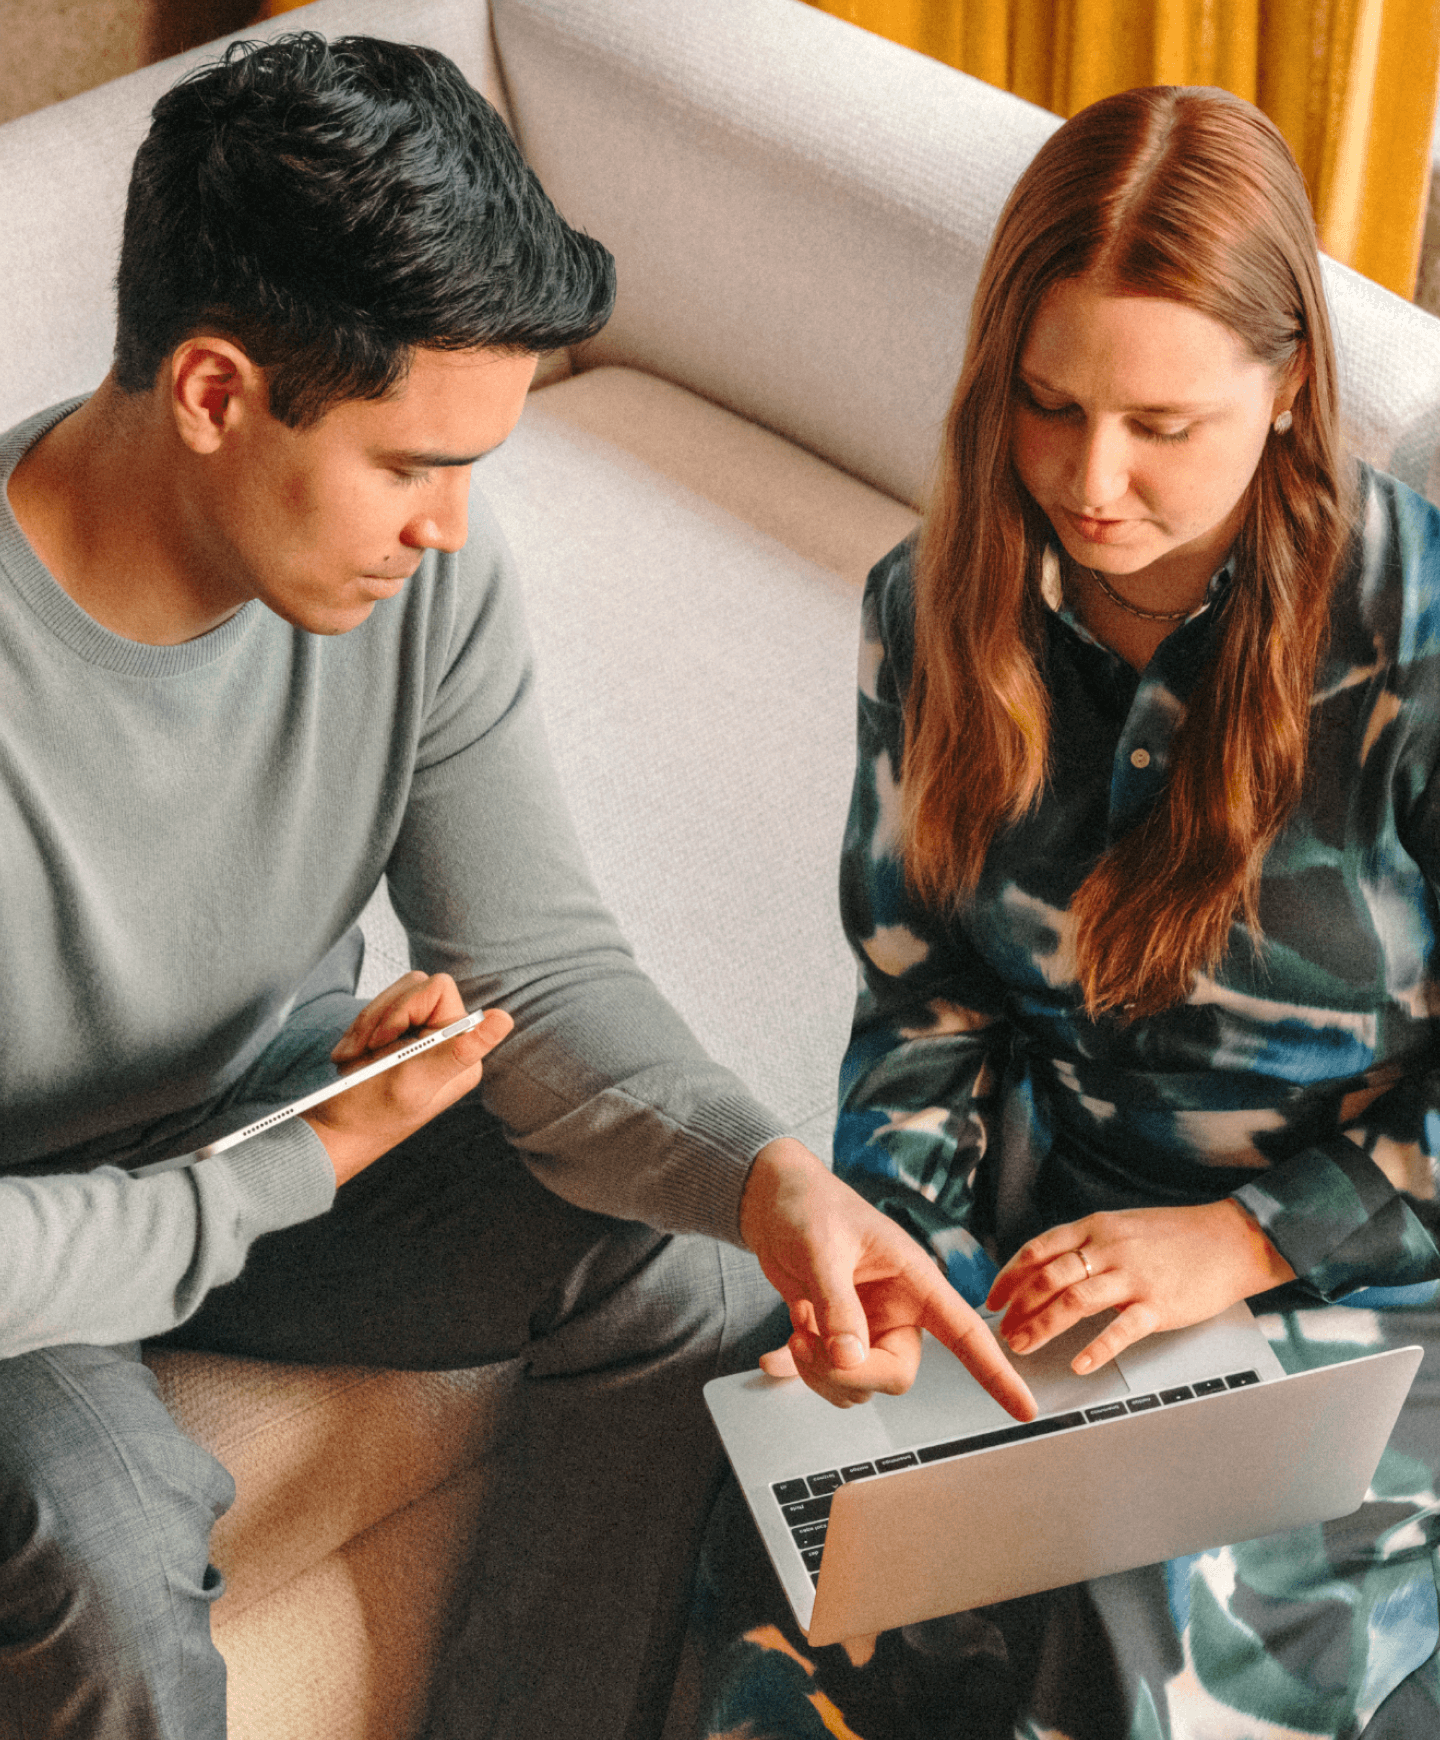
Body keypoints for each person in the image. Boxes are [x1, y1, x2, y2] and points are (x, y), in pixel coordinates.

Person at [0, 31, 1032, 1740]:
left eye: (474, 465)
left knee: (692, 1263)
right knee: (105, 1575)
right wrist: (278, 1177)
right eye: (411, 465)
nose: (451, 529)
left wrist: (771, 1182)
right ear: (212, 394)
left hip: (274, 1108)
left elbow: (536, 968)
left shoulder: (412, 587)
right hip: (38, 1220)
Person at [695, 84, 1440, 1740]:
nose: (1091, 481)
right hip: (1062, 1244)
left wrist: (1247, 1243)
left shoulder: (1423, 640)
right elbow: (928, 995)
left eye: (1162, 425)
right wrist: (907, 1263)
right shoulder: (937, 604)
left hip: (1384, 1287)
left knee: (1126, 1635)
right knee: (798, 1568)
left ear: (1290, 387)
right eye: (1050, 405)